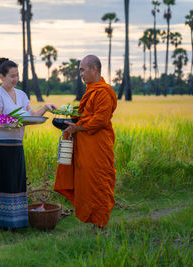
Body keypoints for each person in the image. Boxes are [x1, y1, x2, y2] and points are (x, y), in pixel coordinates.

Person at [0, 57, 57, 230]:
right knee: (2, 182)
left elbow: (31, 114)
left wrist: (45, 107)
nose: (15, 79)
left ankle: (16, 221)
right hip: (0, 146)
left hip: (16, 145)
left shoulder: (22, 94)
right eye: (11, 76)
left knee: (15, 182)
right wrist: (16, 121)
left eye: (17, 75)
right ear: (1, 76)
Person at [54, 55, 117, 228]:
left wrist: (77, 128)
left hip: (97, 145)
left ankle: (101, 223)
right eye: (80, 70)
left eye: (83, 69)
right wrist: (70, 118)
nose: (81, 74)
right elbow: (86, 115)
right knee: (87, 182)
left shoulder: (103, 91)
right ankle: (93, 220)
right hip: (85, 145)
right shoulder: (91, 90)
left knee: (98, 181)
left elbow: (100, 120)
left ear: (94, 69)